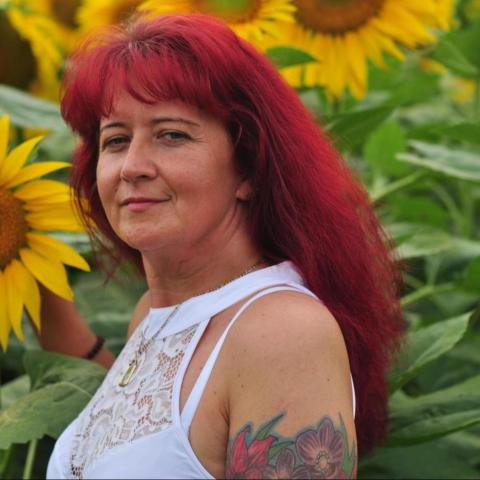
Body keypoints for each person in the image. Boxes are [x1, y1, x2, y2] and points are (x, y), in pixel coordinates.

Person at [43, 13, 404, 479]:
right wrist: (35, 278)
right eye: (115, 140)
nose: (131, 166)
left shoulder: (282, 333)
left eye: (171, 135)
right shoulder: (155, 313)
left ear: (249, 167)